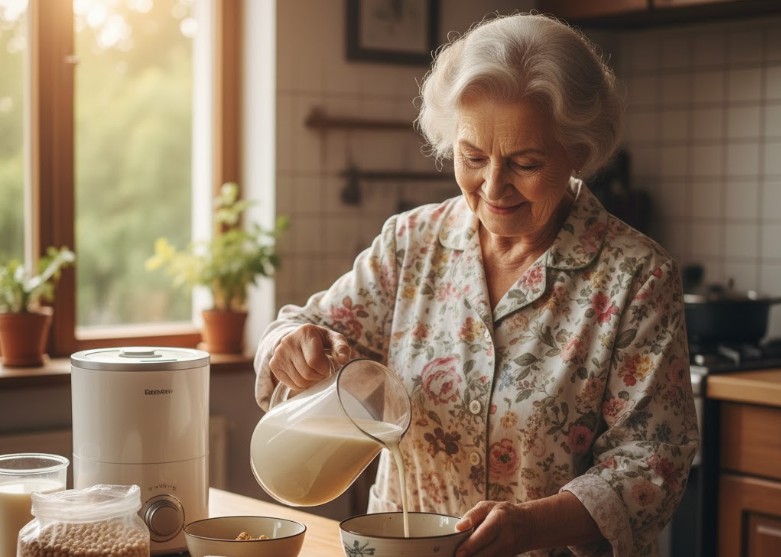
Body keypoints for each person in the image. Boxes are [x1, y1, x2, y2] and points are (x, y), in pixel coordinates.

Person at [254, 12, 698, 557]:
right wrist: (292, 346)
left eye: (525, 162)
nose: (493, 186)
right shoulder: (411, 243)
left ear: (578, 151)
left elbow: (654, 462)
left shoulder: (636, 276)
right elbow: (307, 326)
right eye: (472, 157)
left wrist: (532, 527)